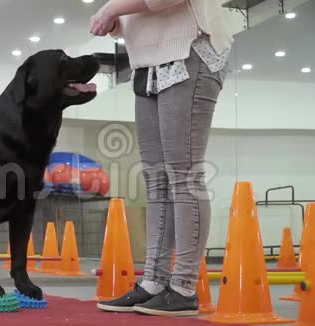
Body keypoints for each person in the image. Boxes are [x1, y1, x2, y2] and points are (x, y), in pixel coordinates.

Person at [90, 0, 233, 317]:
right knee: (156, 179)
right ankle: (154, 282)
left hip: (190, 49)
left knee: (183, 174)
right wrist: (113, 18)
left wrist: (111, 8)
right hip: (148, 62)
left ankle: (183, 286)